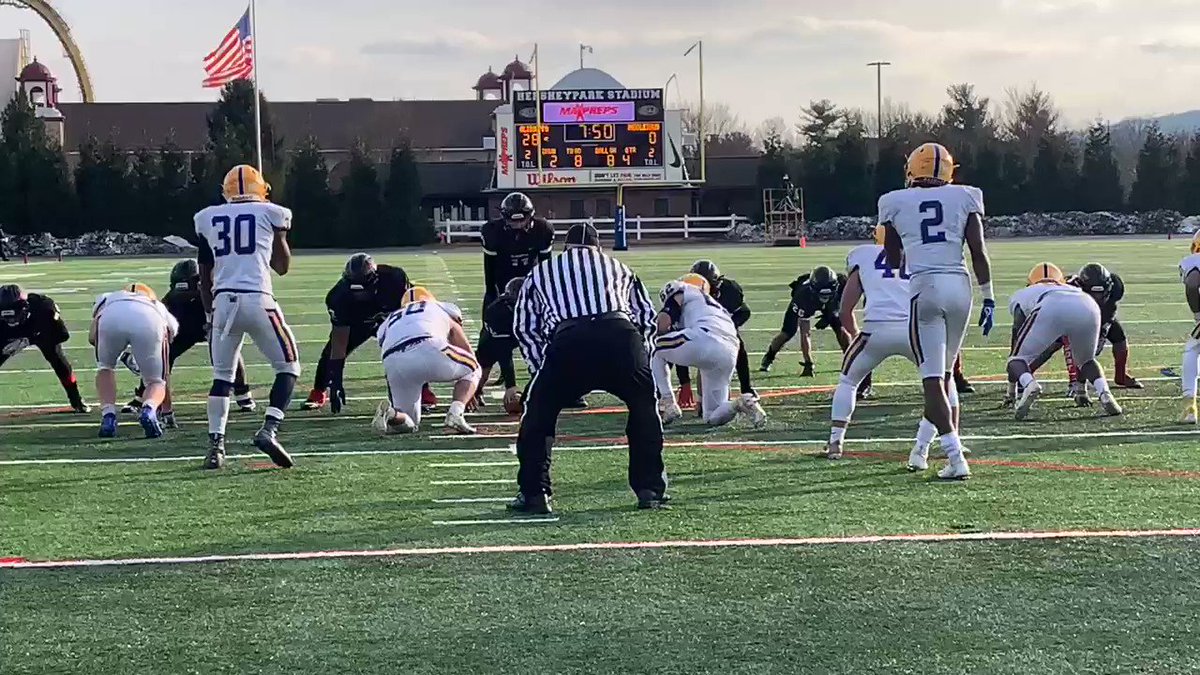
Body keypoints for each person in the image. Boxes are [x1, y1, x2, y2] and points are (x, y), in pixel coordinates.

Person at [511, 223, 667, 514]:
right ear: (598, 248)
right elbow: (646, 317)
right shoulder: (619, 267)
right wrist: (639, 357)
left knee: (539, 414)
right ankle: (650, 489)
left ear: (565, 248)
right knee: (644, 407)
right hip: (620, 335)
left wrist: (539, 366)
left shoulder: (542, 271)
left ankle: (535, 493)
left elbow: (525, 326)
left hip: (570, 340)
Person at [882, 141, 994, 480]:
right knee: (944, 379)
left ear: (912, 169)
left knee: (932, 382)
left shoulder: (893, 201)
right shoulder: (966, 195)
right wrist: (988, 296)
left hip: (926, 287)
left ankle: (955, 456)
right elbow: (978, 250)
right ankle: (920, 450)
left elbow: (891, 258)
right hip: (961, 287)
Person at [194, 164, 301, 470]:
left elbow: (204, 275)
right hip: (258, 299)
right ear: (262, 189)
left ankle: (215, 446)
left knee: (222, 378)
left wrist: (209, 313)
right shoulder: (274, 213)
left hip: (223, 302)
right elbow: (282, 266)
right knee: (288, 366)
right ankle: (269, 429)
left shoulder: (206, 217)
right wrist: (277, 236)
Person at [826, 226, 952, 465]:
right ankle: (949, 439)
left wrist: (856, 334)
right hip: (915, 331)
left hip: (876, 330)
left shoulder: (862, 255)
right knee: (943, 381)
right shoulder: (921, 255)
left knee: (848, 381)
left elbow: (845, 309)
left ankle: (835, 442)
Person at [122, 259, 255, 425]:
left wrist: (214, 324)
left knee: (228, 353)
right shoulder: (171, 300)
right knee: (161, 357)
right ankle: (143, 396)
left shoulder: (211, 293)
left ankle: (243, 393)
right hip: (183, 329)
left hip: (209, 324)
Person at [302, 253, 415, 413]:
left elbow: (410, 310)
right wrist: (336, 380)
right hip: (358, 324)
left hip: (391, 321)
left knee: (410, 348)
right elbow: (339, 342)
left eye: (361, 288)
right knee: (329, 355)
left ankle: (423, 392)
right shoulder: (338, 297)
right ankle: (319, 391)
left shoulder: (394, 279)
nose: (358, 294)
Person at [1007, 266, 1123, 419]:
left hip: (1051, 306)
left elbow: (1017, 335)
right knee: (1087, 361)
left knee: (1016, 359)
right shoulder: (1070, 287)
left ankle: (1030, 385)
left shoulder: (1022, 294)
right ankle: (1104, 392)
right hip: (1088, 305)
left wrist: (1011, 391)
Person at [652, 273, 766, 428]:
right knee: (712, 416)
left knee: (653, 346)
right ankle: (741, 403)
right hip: (730, 351)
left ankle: (667, 402)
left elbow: (665, 320)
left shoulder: (683, 289)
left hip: (705, 338)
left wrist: (659, 331)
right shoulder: (717, 308)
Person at [371, 286, 480, 435]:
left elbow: (384, 343)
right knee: (474, 367)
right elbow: (464, 347)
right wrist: (468, 390)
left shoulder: (390, 319)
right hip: (429, 345)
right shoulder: (440, 308)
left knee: (410, 422)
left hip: (394, 359)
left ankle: (391, 413)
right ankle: (456, 413)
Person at [90, 283, 178, 439]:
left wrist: (121, 350)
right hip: (149, 319)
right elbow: (169, 337)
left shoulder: (107, 298)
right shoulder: (157, 305)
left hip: (111, 317)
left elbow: (92, 338)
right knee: (156, 381)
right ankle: (149, 409)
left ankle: (108, 415)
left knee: (105, 368)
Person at [674, 259, 757, 412]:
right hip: (696, 331)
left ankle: (746, 388)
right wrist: (685, 382)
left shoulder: (729, 290)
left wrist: (727, 326)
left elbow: (744, 311)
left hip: (722, 329)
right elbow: (679, 340)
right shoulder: (683, 296)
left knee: (738, 347)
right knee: (666, 349)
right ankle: (662, 395)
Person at [0, 283, 89, 412]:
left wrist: (29, 339)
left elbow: (62, 335)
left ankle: (77, 401)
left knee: (59, 362)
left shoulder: (43, 308)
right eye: (7, 317)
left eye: (15, 315)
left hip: (38, 331)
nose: (12, 321)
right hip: (6, 334)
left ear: (26, 308)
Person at [759, 265, 850, 377]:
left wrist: (830, 316)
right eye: (822, 295)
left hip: (831, 305)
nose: (824, 297)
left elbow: (845, 308)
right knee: (788, 332)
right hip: (808, 303)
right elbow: (805, 332)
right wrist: (808, 362)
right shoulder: (803, 297)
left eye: (828, 294)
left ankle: (850, 360)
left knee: (840, 328)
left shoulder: (842, 284)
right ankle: (769, 357)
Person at [473, 277, 524, 412]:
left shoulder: (532, 307)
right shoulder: (500, 312)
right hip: (495, 340)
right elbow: (503, 351)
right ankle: (473, 392)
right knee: (482, 368)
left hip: (517, 335)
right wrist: (510, 385)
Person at [1179, 232, 1200, 423]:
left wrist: (1198, 313)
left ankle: (1189, 404)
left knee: (1191, 350)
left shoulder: (1193, 261)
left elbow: (1192, 284)